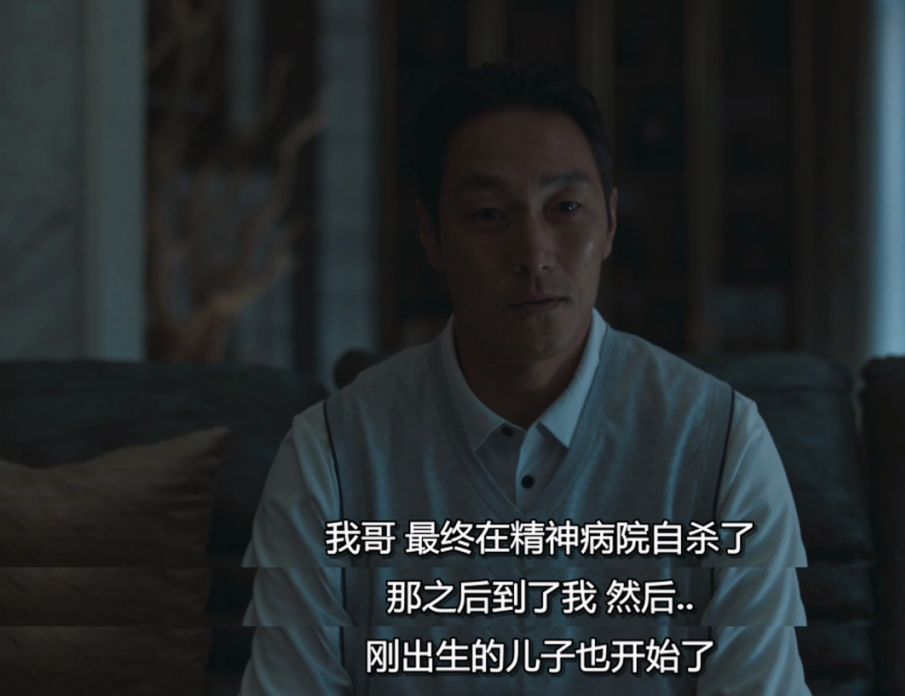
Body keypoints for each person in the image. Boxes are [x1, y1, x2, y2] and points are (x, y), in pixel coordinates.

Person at [240, 59, 811, 696]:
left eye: (565, 207)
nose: (534, 253)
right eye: (489, 214)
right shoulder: (330, 458)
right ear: (431, 235)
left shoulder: (721, 444)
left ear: (610, 222)